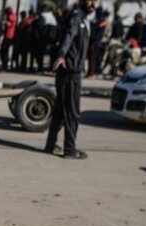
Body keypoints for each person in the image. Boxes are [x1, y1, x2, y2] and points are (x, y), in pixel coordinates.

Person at [45, 0, 94, 160]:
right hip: (70, 72)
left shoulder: (83, 19)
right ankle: (70, 149)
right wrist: (61, 55)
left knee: (60, 111)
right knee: (72, 112)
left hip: (71, 71)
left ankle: (50, 145)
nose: (92, 3)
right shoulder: (76, 18)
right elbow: (69, 35)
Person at [0, 7, 17, 71]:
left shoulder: (11, 17)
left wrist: (5, 22)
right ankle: (5, 64)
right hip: (9, 35)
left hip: (9, 35)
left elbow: (9, 24)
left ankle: (5, 64)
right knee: (5, 50)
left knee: (4, 51)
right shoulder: (13, 16)